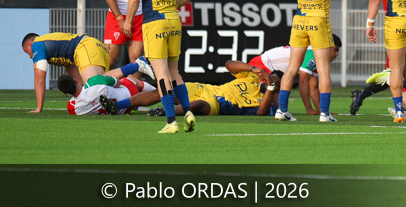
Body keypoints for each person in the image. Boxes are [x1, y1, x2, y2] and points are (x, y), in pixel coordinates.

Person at [122, 0, 197, 133]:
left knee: (161, 73)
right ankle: (188, 111)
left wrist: (128, 21)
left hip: (154, 21)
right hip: (174, 20)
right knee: (175, 72)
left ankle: (171, 121)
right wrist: (173, 5)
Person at [102, 62, 280, 117]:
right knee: (164, 90)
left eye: (274, 80)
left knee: (197, 105)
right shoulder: (251, 78)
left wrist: (270, 88)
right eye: (271, 76)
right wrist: (254, 69)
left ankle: (164, 112)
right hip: (206, 88)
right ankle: (117, 106)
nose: (269, 79)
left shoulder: (266, 101)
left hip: (217, 104)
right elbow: (229, 65)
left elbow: (261, 113)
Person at [21, 32, 110, 113]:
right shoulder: (63, 50)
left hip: (86, 46)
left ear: (30, 44)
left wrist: (38, 108)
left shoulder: (36, 44)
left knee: (96, 89)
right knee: (107, 89)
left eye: (27, 51)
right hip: (97, 46)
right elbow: (74, 74)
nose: (30, 56)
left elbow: (39, 79)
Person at [57, 59, 155, 115]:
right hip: (129, 96)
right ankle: (157, 91)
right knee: (131, 80)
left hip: (123, 111)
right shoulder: (94, 81)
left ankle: (136, 65)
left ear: (65, 92)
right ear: (75, 80)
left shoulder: (71, 108)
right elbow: (118, 83)